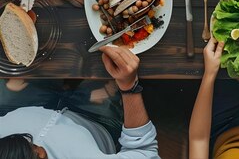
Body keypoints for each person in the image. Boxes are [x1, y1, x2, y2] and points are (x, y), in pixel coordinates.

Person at [0, 46, 160, 159]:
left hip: (27, 105)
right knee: (110, 68)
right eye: (34, 151)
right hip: (94, 120)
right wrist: (128, 87)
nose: (39, 149)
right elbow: (145, 152)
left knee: (18, 65)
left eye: (29, 142)